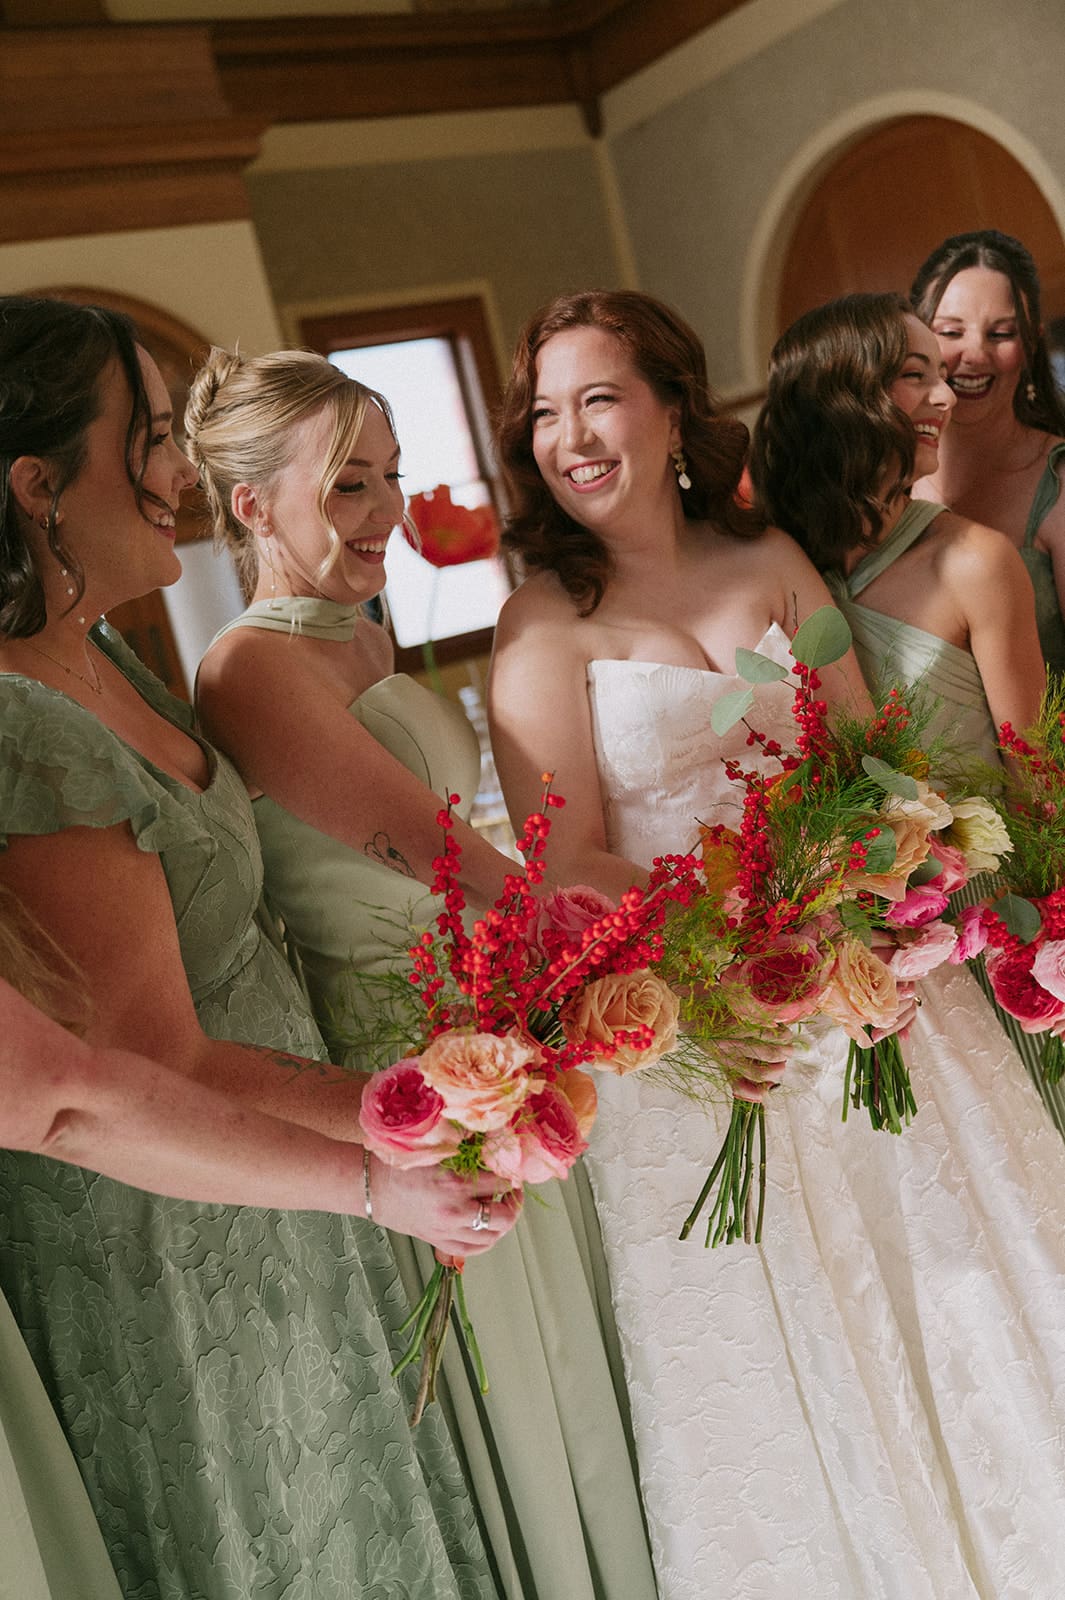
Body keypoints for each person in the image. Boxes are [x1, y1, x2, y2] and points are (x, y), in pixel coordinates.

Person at [489, 287, 1065, 1600]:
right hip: (710, 1042)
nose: (569, 436)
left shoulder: (773, 569)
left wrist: (873, 911)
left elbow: (862, 761)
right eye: (542, 414)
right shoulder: (542, 627)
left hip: (869, 1001)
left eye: (599, 399)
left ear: (672, 410)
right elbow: (566, 862)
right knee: (807, 1371)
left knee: (975, 1305)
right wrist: (741, 956)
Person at [0, 294, 518, 1600]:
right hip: (177, 1215)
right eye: (155, 439)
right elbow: (145, 1058)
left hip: (290, 1151)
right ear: (37, 484)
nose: (184, 473)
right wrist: (385, 1129)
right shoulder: (24, 726)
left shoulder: (101, 649)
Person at [188, 346, 659, 1600]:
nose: (385, 511)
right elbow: (451, 864)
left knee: (589, 1354)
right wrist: (639, 933)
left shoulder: (359, 640)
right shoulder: (251, 665)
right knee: (529, 1372)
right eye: (349, 484)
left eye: (392, 477)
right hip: (414, 1070)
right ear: (250, 505)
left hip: (498, 1033)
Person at [752, 289, 1065, 1142]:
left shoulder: (974, 558)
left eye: (940, 376)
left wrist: (1045, 944)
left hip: (987, 917)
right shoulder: (770, 561)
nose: (942, 397)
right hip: (853, 942)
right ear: (839, 394)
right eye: (912, 375)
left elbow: (1034, 775)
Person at [910, 228, 1065, 673]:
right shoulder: (884, 479)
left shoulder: (1058, 483)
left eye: (1000, 333)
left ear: (1030, 344)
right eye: (951, 332)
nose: (975, 354)